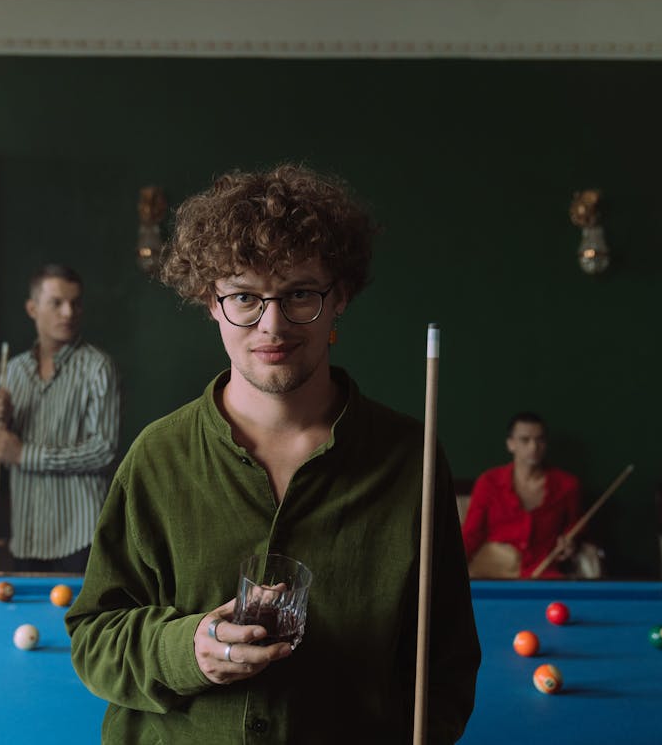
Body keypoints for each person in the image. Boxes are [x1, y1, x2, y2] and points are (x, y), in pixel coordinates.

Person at [66, 165, 479, 743]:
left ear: (341, 297)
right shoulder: (157, 457)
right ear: (211, 303)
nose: (273, 324)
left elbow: (447, 663)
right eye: (244, 296)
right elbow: (94, 637)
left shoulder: (410, 457)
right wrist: (190, 650)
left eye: (300, 294)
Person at [0, 264, 121, 573]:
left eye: (75, 303)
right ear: (32, 308)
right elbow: (0, 451)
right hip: (27, 535)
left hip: (80, 536)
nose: (68, 312)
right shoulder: (14, 370)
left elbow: (104, 451)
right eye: (57, 303)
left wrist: (24, 454)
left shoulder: (99, 367)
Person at [460, 412, 581, 578]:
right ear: (511, 444)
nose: (533, 447)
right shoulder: (488, 482)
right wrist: (449, 570)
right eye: (525, 440)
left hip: (545, 577)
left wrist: (569, 543)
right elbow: (470, 535)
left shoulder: (567, 485)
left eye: (540, 440)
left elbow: (575, 529)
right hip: (496, 575)